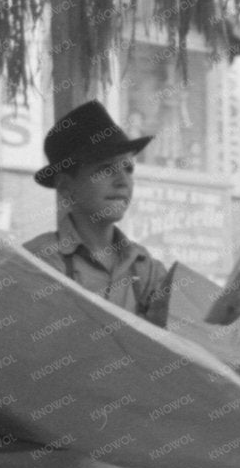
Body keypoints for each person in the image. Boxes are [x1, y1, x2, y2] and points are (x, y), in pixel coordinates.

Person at [21, 101, 172, 322]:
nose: (123, 182)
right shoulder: (39, 261)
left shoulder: (146, 268)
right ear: (65, 186)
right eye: (106, 169)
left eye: (128, 169)